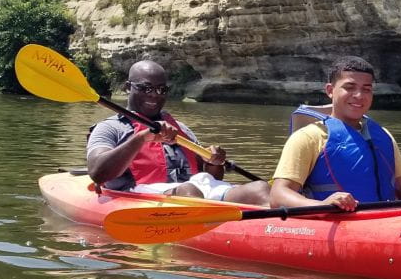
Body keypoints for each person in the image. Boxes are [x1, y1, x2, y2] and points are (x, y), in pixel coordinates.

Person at [270, 56, 401, 210]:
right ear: (330, 90)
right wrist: (322, 204)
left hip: (383, 220)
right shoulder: (308, 138)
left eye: (366, 89)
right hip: (332, 221)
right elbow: (279, 196)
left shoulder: (383, 135)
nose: (359, 96)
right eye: (349, 87)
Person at [86, 60, 271, 205]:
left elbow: (211, 178)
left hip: (193, 190)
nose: (155, 94)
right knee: (188, 190)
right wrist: (141, 138)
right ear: (128, 87)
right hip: (143, 195)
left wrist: (213, 162)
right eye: (146, 88)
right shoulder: (110, 128)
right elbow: (98, 173)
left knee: (260, 189)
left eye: (162, 89)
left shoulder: (181, 129)